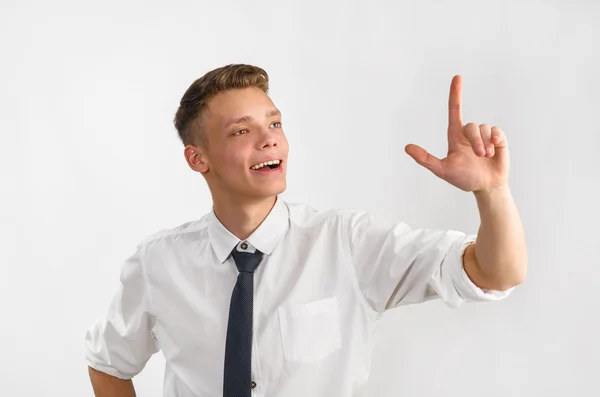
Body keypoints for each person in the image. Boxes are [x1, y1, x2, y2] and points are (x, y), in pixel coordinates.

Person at [84, 64, 527, 397]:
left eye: (274, 123)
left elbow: (494, 274)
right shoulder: (158, 263)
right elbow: (108, 363)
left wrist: (492, 192)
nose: (270, 139)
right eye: (243, 130)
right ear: (198, 159)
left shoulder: (347, 242)